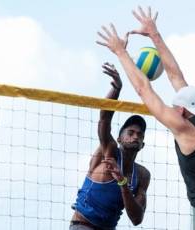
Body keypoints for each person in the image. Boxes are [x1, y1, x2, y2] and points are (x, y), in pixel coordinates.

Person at [96, 6, 195, 230]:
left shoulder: (185, 129)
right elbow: (177, 77)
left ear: (181, 111)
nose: (172, 107)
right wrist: (154, 34)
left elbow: (144, 90)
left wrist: (121, 52)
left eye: (175, 105)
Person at [70, 62, 151, 230]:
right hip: (83, 225)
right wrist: (116, 89)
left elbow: (137, 219)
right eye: (130, 132)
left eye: (139, 134)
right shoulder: (110, 150)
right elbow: (104, 119)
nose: (135, 136)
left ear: (142, 145)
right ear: (120, 139)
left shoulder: (142, 175)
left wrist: (122, 182)